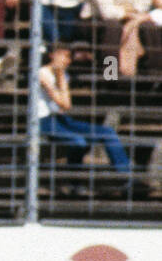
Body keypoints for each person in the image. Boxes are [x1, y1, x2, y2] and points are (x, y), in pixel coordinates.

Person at [38, 43, 135, 185]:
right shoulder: (43, 73)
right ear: (52, 55)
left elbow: (65, 106)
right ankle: (73, 182)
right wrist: (60, 75)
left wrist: (61, 76)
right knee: (79, 142)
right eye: (63, 55)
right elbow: (65, 104)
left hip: (59, 117)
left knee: (107, 132)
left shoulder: (63, 74)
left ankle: (126, 178)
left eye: (68, 57)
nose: (67, 60)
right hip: (44, 120)